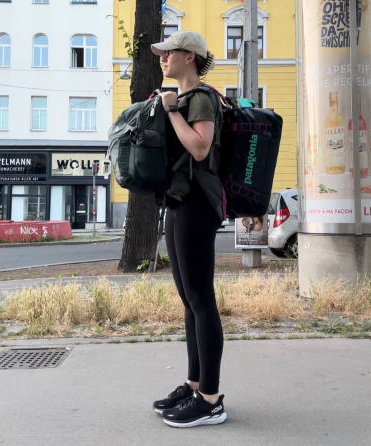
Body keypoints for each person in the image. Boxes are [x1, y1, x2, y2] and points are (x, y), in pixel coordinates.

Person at [147, 30, 228, 428]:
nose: (164, 58)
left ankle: (211, 399)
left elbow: (200, 147)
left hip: (198, 204)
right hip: (179, 202)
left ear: (190, 57)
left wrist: (173, 111)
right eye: (161, 54)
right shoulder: (179, 98)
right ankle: (196, 383)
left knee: (201, 298)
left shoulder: (202, 98)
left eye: (169, 53)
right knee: (188, 298)